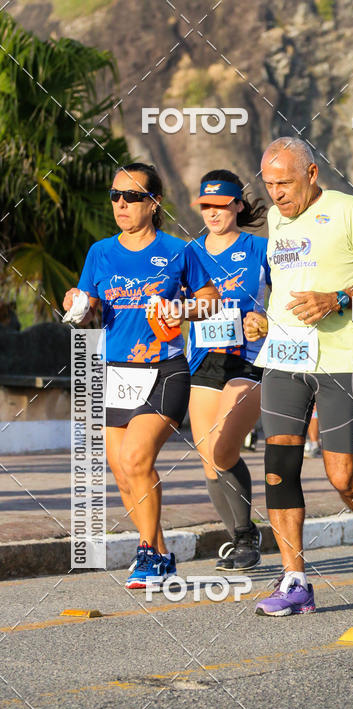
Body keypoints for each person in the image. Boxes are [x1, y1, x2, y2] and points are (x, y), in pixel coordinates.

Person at [246, 137, 353, 616]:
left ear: (312, 174)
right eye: (269, 184)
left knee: (342, 474)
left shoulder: (349, 210)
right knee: (279, 467)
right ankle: (295, 580)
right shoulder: (277, 219)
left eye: (285, 183)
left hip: (341, 358)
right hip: (284, 357)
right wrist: (265, 319)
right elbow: (286, 284)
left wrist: (337, 298)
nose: (276, 194)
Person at [63, 163, 217, 588]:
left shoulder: (178, 250)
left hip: (164, 369)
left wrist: (181, 308)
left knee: (136, 458)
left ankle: (146, 551)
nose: (121, 204)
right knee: (122, 471)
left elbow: (210, 299)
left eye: (131, 196)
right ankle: (162, 556)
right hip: (115, 373)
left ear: (154, 203)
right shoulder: (100, 252)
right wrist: (77, 304)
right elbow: (89, 307)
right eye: (115, 195)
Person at [186, 170, 270, 570]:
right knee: (208, 457)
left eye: (221, 205)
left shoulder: (260, 248)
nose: (213, 213)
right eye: (206, 205)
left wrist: (265, 319)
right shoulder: (188, 252)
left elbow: (287, 298)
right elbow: (171, 301)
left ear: (237, 204)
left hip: (248, 357)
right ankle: (242, 537)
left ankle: (246, 535)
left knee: (223, 448)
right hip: (204, 358)